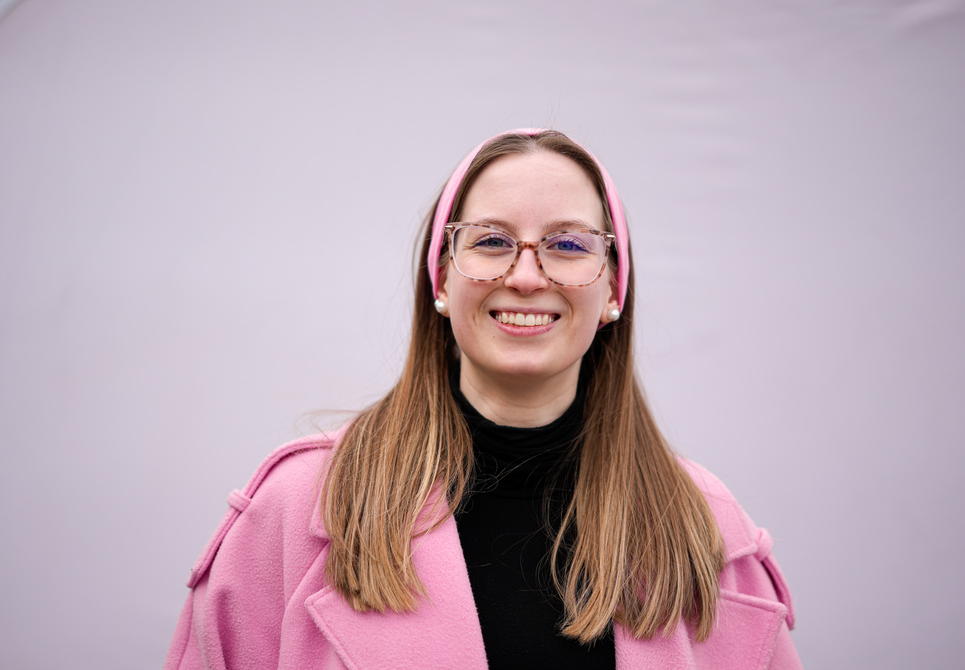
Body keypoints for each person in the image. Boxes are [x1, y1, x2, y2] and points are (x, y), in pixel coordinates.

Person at [164, 129, 802, 669]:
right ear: (441, 278)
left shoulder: (708, 534)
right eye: (491, 241)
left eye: (570, 245)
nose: (526, 277)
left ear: (614, 288)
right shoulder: (296, 508)